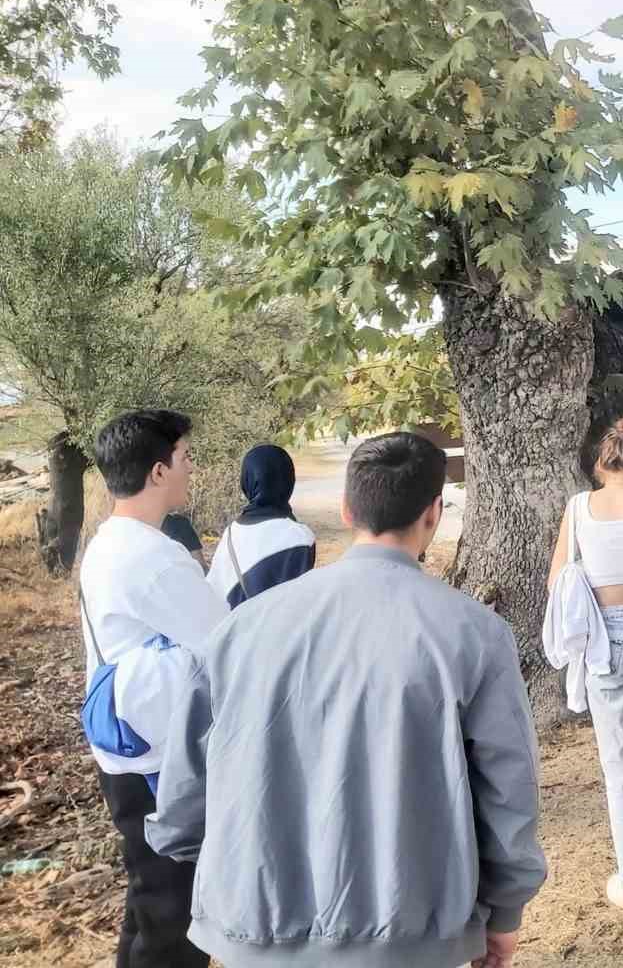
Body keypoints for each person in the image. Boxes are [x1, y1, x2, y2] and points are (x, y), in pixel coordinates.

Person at [149, 431, 546, 968]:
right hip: (412, 930)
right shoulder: (474, 633)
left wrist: (214, 865)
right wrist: (504, 913)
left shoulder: (241, 629)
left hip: (259, 925)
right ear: (433, 514)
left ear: (346, 507)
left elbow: (183, 788)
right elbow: (508, 788)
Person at [78, 409, 228, 968]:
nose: (192, 469)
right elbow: (226, 645)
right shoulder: (154, 559)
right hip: (158, 762)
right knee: (175, 915)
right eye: (186, 458)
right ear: (159, 471)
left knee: (149, 901)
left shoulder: (110, 542)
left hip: (124, 746)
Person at [548, 415, 623, 917]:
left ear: (601, 463)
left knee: (618, 763)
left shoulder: (578, 509)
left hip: (602, 641)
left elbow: (558, 577)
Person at [206, 444, 316, 608]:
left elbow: (215, 593)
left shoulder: (230, 533)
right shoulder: (301, 537)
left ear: (246, 481)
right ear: (289, 481)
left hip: (239, 631)